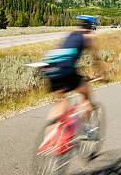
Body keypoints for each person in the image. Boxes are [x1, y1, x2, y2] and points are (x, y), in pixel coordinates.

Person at [40, 15, 105, 144]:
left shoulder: (71, 35)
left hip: (50, 68)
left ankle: (48, 139)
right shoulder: (88, 37)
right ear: (92, 27)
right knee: (86, 94)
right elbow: (96, 60)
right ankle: (84, 130)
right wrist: (102, 75)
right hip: (66, 69)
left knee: (60, 103)